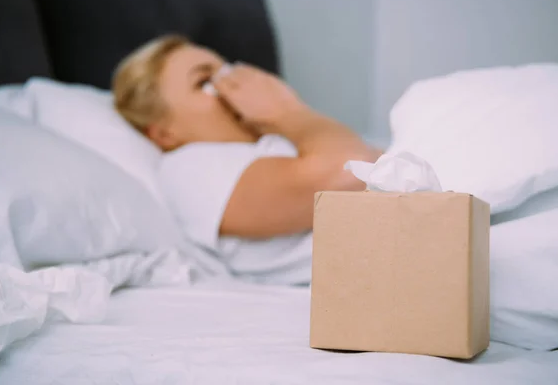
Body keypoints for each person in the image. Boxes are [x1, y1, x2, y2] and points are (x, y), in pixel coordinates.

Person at [113, 35, 382, 285]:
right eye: (204, 82)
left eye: (226, 73)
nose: (230, 89)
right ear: (164, 133)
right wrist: (287, 110)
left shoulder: (275, 142)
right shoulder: (189, 168)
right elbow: (352, 170)